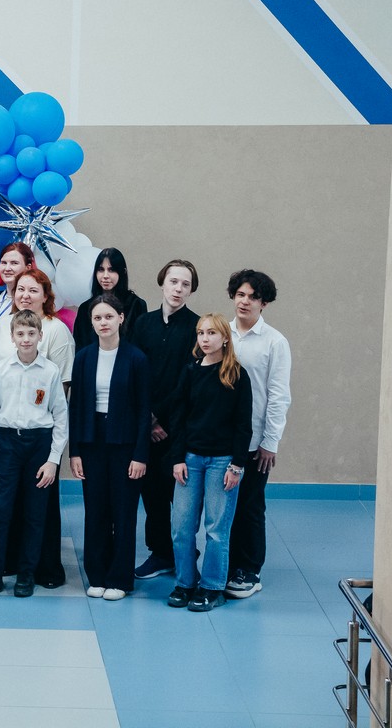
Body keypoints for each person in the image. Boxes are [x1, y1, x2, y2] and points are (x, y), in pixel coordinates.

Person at [0, 310, 68, 600]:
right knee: (0, 510)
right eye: (20, 334)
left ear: (40, 336)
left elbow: (61, 417)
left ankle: (27, 573)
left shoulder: (50, 371)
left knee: (35, 512)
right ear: (12, 337)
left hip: (39, 444)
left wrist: (53, 460)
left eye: (31, 333)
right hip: (7, 442)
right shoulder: (2, 369)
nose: (26, 339)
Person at [165, 313, 253, 612]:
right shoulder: (190, 372)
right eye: (201, 333)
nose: (205, 338)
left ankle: (212, 587)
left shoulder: (236, 375)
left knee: (216, 529)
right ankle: (185, 583)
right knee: (181, 527)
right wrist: (177, 458)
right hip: (190, 460)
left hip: (222, 462)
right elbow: (178, 419)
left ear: (225, 338)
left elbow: (243, 425)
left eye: (212, 333)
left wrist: (237, 465)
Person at [69, 294, 150, 601]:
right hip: (92, 442)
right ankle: (98, 575)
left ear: (120, 318)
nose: (103, 322)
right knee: (96, 511)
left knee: (123, 512)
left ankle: (119, 579)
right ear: (91, 323)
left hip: (124, 444)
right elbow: (76, 406)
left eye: (108, 316)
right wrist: (75, 451)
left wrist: (140, 454)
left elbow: (143, 411)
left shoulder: (136, 358)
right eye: (97, 318)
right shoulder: (84, 357)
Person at [131, 260, 200, 581]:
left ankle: (185, 553)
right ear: (162, 283)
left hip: (178, 427)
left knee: (181, 496)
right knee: (152, 494)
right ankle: (160, 553)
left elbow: (190, 381)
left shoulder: (196, 327)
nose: (178, 289)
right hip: (146, 424)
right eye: (173, 281)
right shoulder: (143, 323)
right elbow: (133, 371)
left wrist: (165, 420)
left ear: (191, 290)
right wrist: (148, 418)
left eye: (185, 284)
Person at [226, 270, 291, 599]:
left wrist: (269, 442)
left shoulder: (274, 342)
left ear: (264, 303)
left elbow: (279, 396)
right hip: (220, 438)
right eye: (240, 294)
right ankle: (225, 566)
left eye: (253, 297)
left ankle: (249, 570)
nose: (245, 301)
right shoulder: (221, 334)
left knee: (249, 506)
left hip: (254, 442)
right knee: (223, 508)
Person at [73, 248, 148, 350]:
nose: (105, 276)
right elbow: (80, 346)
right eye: (101, 270)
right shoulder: (85, 308)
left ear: (122, 272)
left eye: (111, 270)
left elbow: (140, 343)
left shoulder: (136, 305)